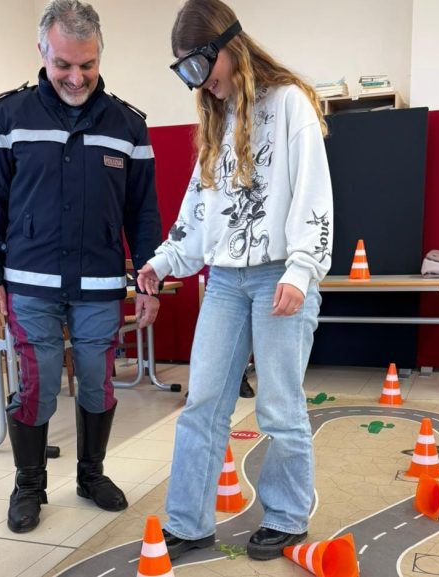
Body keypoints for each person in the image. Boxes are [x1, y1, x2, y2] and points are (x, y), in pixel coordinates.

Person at [137, 0, 333, 561]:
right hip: (223, 280)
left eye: (201, 67)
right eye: (186, 73)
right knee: (203, 403)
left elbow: (313, 196)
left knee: (278, 404)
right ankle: (189, 522)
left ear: (229, 46)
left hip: (280, 274)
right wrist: (163, 260)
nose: (200, 83)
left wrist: (301, 270)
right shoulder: (214, 122)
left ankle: (288, 515)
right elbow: (199, 218)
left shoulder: (290, 103)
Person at [0, 0, 162, 533]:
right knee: (37, 384)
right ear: (42, 52)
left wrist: (149, 280)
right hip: (29, 283)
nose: (76, 78)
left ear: (100, 56)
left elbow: (144, 213)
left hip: (101, 285)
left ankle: (90, 474)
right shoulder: (8, 116)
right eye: (63, 65)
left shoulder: (129, 124)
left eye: (88, 65)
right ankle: (29, 484)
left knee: (100, 383)